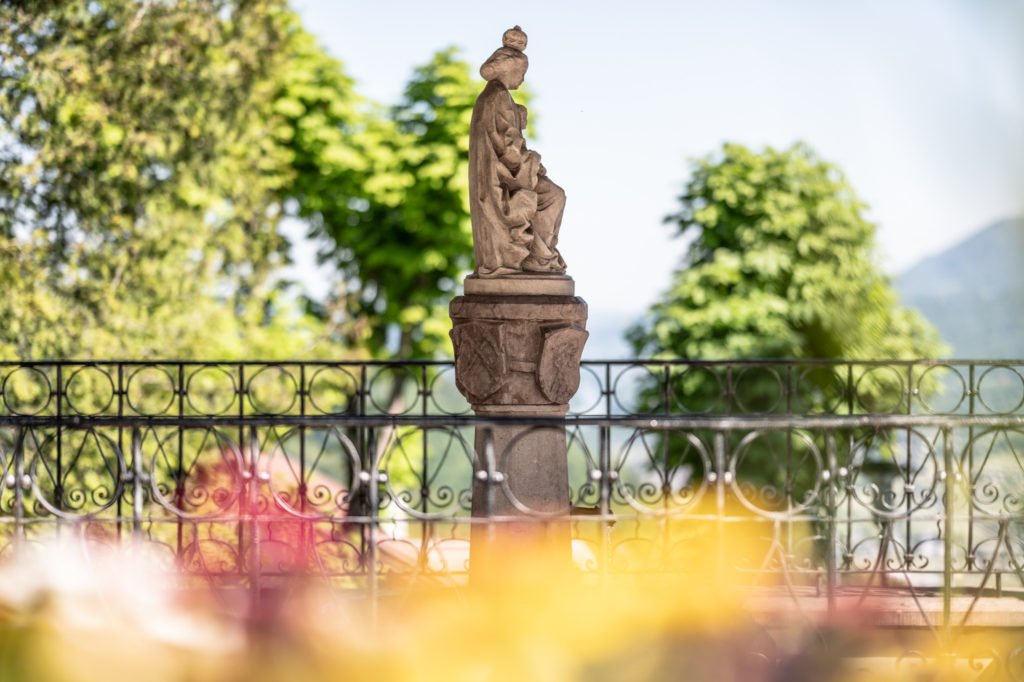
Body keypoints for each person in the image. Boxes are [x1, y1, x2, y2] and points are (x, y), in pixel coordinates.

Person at [469, 26, 566, 277]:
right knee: (554, 196)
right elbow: (508, 150)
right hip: (502, 182)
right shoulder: (498, 98)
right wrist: (534, 163)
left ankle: (540, 255)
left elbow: (508, 143)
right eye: (521, 73)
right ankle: (539, 257)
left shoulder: (493, 97)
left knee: (552, 195)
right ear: (510, 69)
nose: (522, 80)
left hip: (505, 176)